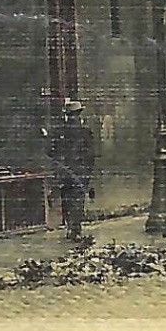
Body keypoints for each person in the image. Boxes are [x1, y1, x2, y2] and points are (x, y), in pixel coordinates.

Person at [47, 99, 96, 242]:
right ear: (79, 114)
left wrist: (59, 166)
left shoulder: (59, 131)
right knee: (77, 201)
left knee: (67, 200)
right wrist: (88, 172)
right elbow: (90, 155)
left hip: (65, 172)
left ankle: (71, 227)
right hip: (79, 173)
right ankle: (75, 229)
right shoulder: (85, 132)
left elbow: (50, 151)